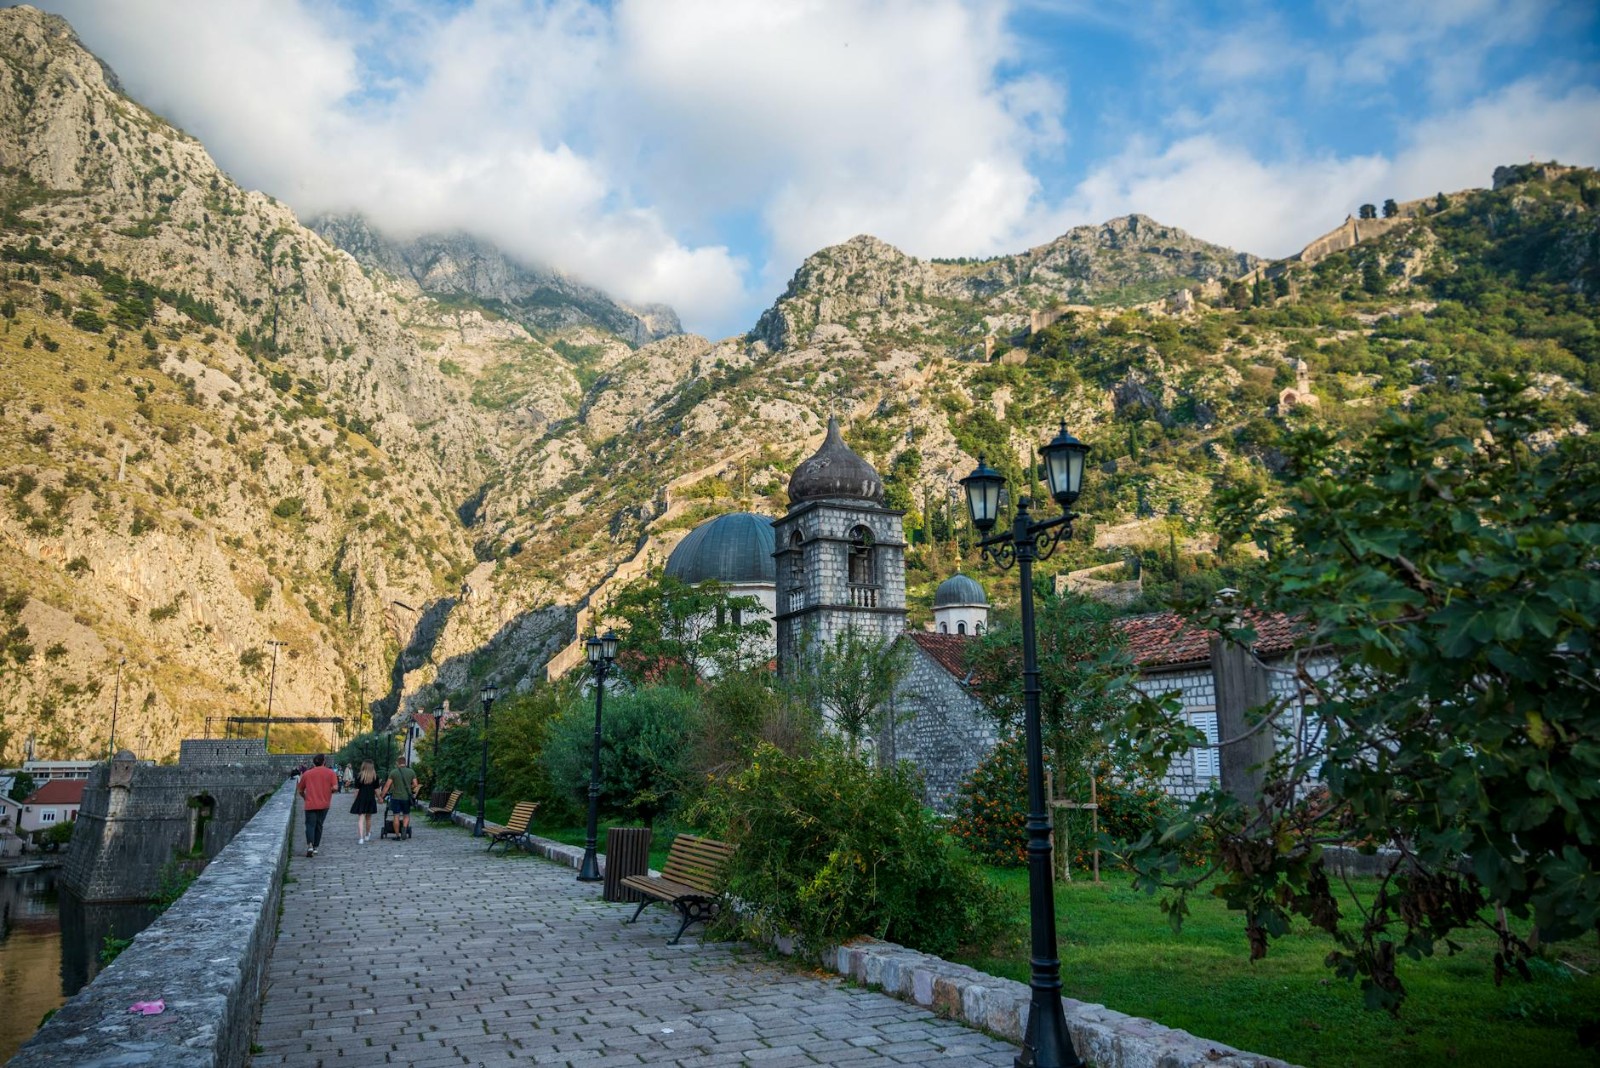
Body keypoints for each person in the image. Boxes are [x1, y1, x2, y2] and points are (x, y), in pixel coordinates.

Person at [295, 754, 339, 858]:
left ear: (314, 762)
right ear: (324, 761)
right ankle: (315, 847)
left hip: (310, 803)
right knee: (319, 825)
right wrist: (329, 791)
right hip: (324, 803)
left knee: (310, 825)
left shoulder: (307, 774)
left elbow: (300, 790)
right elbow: (335, 787)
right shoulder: (330, 773)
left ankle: (310, 845)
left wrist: (305, 797)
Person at [380, 756, 417, 839]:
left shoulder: (393, 772)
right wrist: (409, 787)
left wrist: (382, 796)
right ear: (405, 762)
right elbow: (415, 784)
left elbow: (387, 786)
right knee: (406, 815)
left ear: (398, 763)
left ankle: (397, 835)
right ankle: (404, 828)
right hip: (406, 798)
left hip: (395, 797)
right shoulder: (411, 772)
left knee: (396, 816)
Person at [349, 760, 379, 843]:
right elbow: (376, 790)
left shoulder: (359, 776)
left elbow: (357, 790)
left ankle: (361, 838)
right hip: (370, 798)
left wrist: (355, 799)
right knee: (368, 818)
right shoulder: (375, 777)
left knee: (361, 819)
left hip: (361, 798)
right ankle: (367, 835)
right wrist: (380, 797)